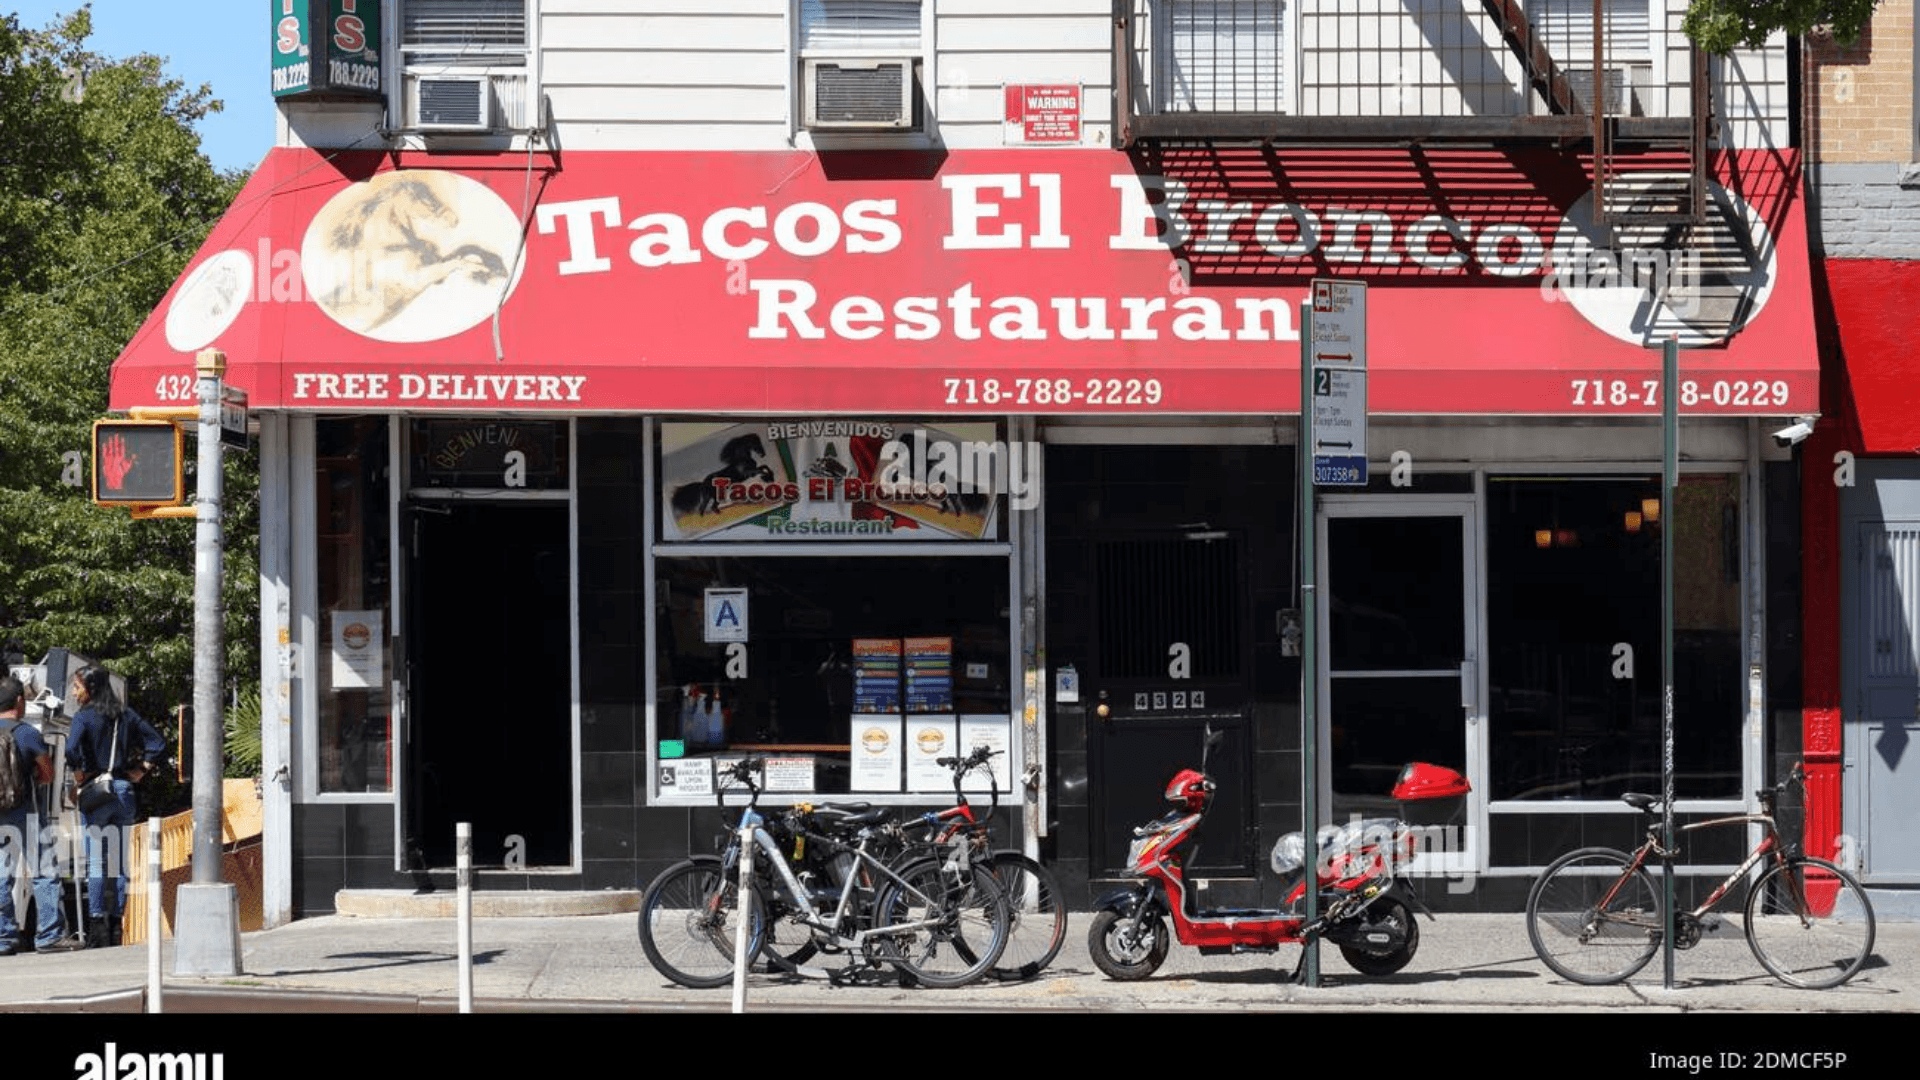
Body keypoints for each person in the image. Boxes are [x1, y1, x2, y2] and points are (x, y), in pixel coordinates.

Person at [63, 665, 165, 948]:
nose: (74, 692)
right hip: (123, 789)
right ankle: (118, 924)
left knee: (97, 862)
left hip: (96, 793)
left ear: (91, 688)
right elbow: (156, 741)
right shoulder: (125, 714)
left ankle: (97, 926)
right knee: (120, 862)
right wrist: (142, 768)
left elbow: (70, 749)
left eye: (77, 687)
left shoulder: (83, 717)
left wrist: (78, 771)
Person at [0, 674, 84, 954]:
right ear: (19, 701)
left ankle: (3, 937)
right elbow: (48, 775)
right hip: (27, 812)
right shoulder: (26, 733)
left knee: (1, 875)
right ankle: (49, 936)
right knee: (44, 870)